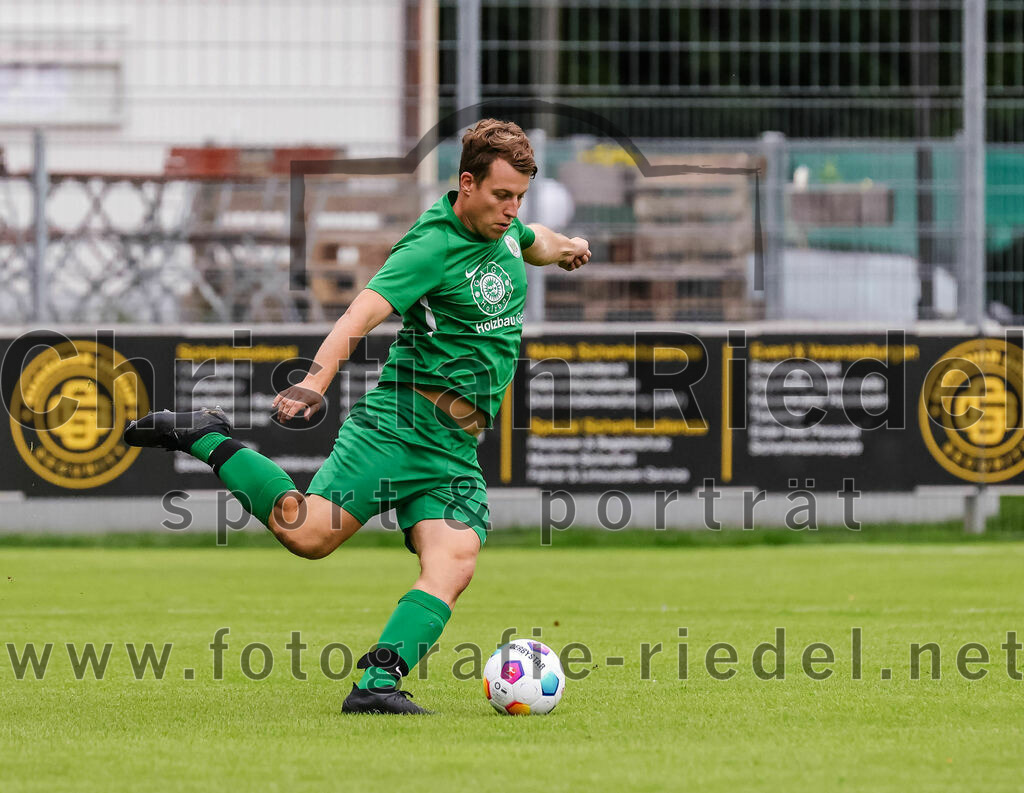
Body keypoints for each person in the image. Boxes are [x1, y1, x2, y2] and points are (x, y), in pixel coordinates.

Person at [124, 119, 590, 714]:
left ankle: (376, 686)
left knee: (454, 561)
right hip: (398, 426)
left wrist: (568, 248)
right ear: (466, 184)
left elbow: (534, 240)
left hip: (452, 449)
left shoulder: (502, 230)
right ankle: (208, 437)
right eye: (502, 196)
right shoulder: (431, 246)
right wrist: (315, 381)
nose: (511, 209)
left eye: (519, 197)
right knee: (308, 535)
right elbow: (357, 317)